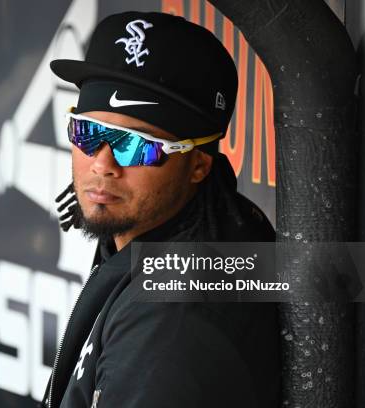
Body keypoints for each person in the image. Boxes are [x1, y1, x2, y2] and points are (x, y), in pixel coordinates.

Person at [42, 11, 280, 408]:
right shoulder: (173, 232)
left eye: (134, 145)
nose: (102, 165)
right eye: (88, 133)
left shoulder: (172, 324)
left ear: (199, 165)